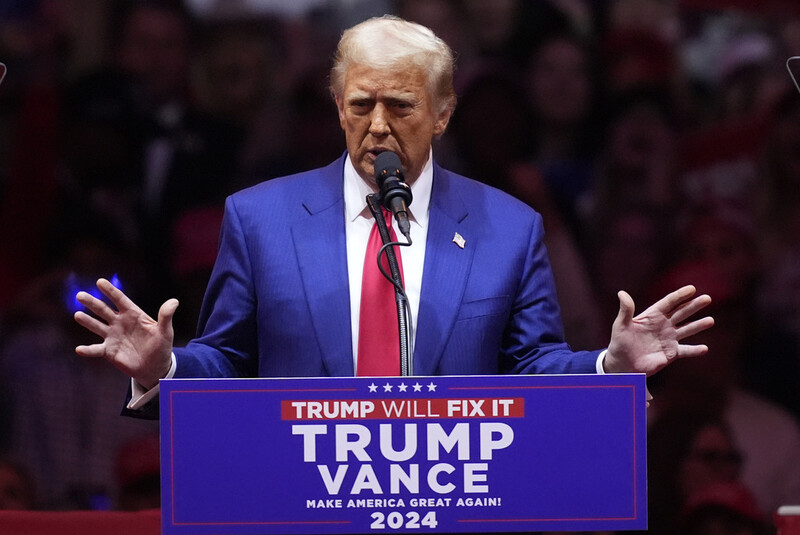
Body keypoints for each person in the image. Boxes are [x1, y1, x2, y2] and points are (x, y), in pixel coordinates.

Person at [71, 15, 713, 418]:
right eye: (360, 104)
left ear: (442, 112)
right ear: (336, 105)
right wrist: (166, 367)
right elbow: (229, 361)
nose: (377, 125)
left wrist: (611, 367)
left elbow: (534, 369)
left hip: (454, 507)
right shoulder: (260, 219)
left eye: (400, 105)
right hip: (304, 508)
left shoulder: (509, 227)